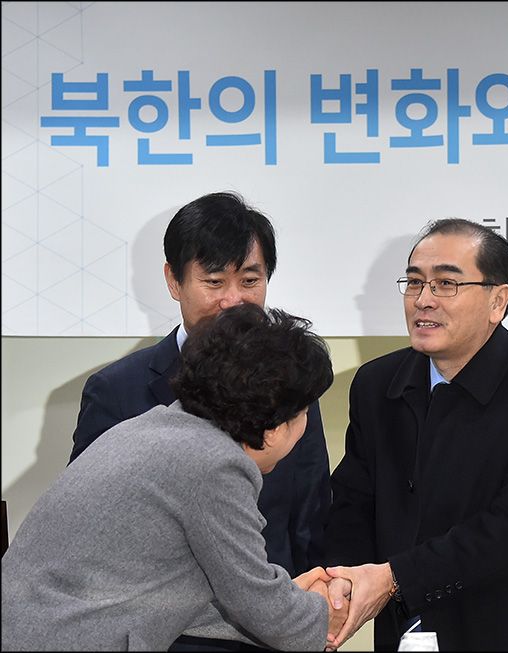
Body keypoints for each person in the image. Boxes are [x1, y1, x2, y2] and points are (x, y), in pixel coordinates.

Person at [68, 191, 332, 650]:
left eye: (249, 280)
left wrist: (314, 617)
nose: (233, 301)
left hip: (273, 632)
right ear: (174, 281)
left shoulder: (291, 384)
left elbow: (309, 521)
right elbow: (91, 535)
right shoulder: (116, 391)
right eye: (214, 281)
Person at [2, 304, 349, 651]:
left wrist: (292, 600)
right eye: (304, 412)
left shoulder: (156, 426)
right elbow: (262, 607)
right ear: (274, 427)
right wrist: (329, 612)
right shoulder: (214, 464)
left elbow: (183, 600)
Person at [323, 218, 508, 650]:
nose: (423, 300)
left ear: (497, 301)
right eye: (414, 282)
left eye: (446, 284)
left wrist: (393, 579)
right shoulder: (376, 385)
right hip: (408, 631)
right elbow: (353, 502)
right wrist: (341, 580)